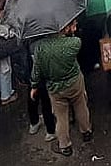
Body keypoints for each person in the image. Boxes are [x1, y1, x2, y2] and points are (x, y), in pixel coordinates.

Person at [31, 21, 92, 157]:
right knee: (81, 106)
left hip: (55, 87)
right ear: (64, 28)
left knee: (61, 117)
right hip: (74, 83)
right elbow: (77, 41)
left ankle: (65, 146)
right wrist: (71, 32)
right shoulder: (74, 43)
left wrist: (34, 85)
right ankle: (86, 132)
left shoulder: (40, 47)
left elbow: (36, 70)